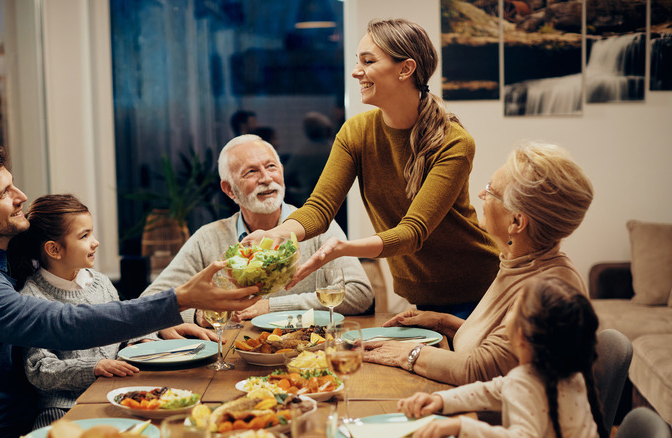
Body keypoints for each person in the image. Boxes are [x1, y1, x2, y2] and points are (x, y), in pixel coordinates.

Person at [0, 148, 260, 438]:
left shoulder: (4, 257)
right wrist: (179, 299)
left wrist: (156, 326)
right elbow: (63, 324)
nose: (21, 196)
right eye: (4, 193)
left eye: (13, 184)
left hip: (29, 415)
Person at [244, 18, 500, 319]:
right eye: (358, 61)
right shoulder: (357, 132)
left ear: (405, 69)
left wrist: (344, 248)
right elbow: (320, 208)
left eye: (368, 61)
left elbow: (412, 232)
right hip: (422, 293)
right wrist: (280, 233)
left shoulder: (454, 142)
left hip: (480, 290)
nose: (356, 71)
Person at [362, 142, 594, 386]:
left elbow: (482, 369)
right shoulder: (520, 263)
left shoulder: (548, 292)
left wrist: (405, 354)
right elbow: (503, 350)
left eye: (491, 190)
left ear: (516, 222)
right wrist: (442, 322)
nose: (482, 194)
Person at [7, 194, 211, 429]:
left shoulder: (100, 283)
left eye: (91, 233)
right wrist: (94, 368)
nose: (95, 242)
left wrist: (140, 340)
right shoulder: (30, 297)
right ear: (54, 249)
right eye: (84, 236)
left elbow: (124, 328)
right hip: (64, 409)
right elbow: (39, 369)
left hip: (116, 394)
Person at [141, 134, 373, 323]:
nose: (266, 178)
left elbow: (360, 294)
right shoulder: (207, 238)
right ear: (229, 189)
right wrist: (198, 315)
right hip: (233, 356)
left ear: (282, 172)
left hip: (307, 352)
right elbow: (151, 301)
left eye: (271, 167)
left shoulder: (317, 227)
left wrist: (269, 306)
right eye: (251, 172)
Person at [398, 276, 606, 438]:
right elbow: (492, 390)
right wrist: (440, 399)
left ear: (521, 335)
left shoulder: (527, 382)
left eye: (514, 309)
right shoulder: (570, 374)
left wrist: (462, 426)